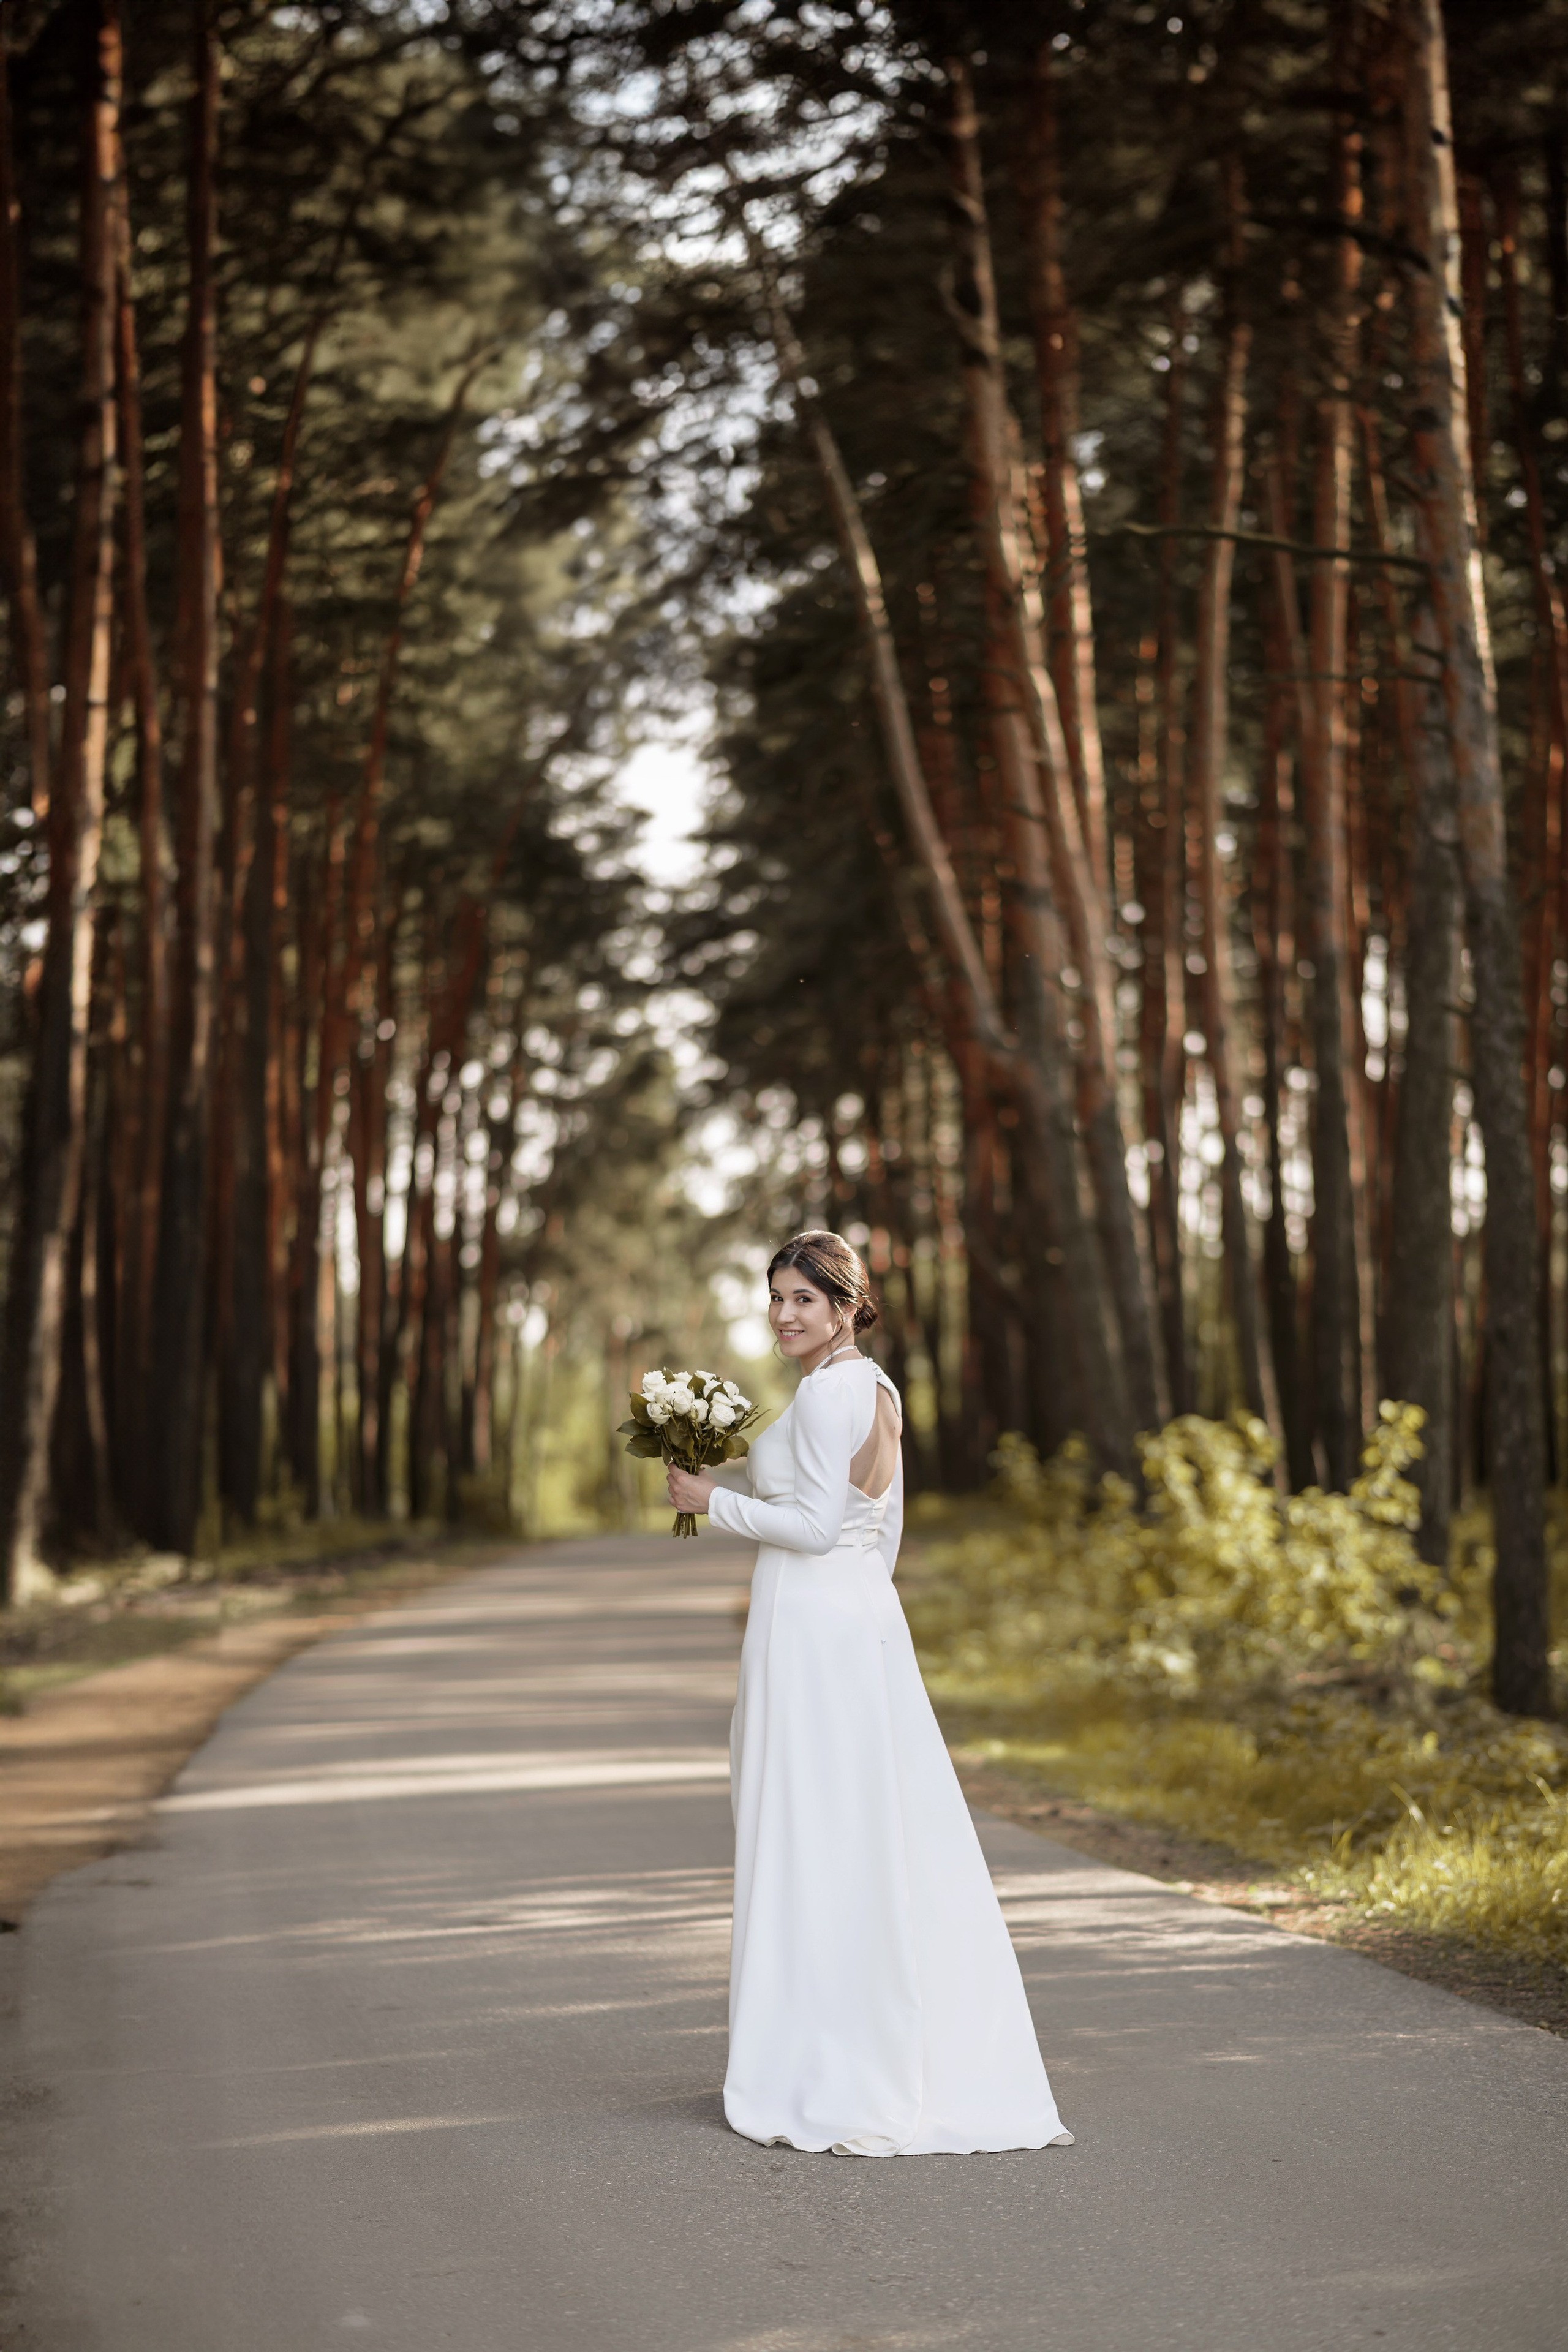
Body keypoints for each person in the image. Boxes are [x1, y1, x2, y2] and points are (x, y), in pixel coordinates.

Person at [667, 1229, 1073, 2160]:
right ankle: (875, 2042)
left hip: (810, 1628)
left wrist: (710, 1500)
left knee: (812, 1829)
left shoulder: (824, 1395)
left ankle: (825, 2061)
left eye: (803, 1299)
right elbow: (868, 1529)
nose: (783, 1315)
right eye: (775, 1298)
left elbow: (813, 1528)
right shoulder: (878, 1386)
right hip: (860, 1621)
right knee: (870, 1829)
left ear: (849, 1304)